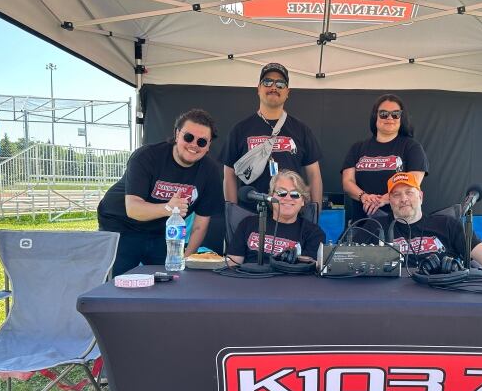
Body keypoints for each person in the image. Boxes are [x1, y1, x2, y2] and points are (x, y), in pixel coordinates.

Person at [97, 109, 223, 276]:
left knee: (170, 280)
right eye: (188, 137)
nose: (194, 144)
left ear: (208, 146)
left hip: (160, 231)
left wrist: (186, 258)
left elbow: (200, 225)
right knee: (120, 286)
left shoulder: (210, 171)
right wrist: (169, 208)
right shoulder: (146, 156)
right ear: (177, 134)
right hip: (121, 225)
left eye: (202, 142)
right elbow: (133, 209)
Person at [220, 62, 323, 210]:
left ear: (288, 92)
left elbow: (314, 175)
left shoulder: (301, 130)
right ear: (258, 89)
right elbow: (229, 174)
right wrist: (232, 213)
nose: (274, 87)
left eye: (280, 84)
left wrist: (315, 212)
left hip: (290, 216)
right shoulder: (240, 129)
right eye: (267, 82)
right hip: (250, 215)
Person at [363, 172, 482, 267]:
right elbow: (342, 257)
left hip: (441, 299)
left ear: (420, 196)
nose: (403, 199)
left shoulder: (447, 224)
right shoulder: (374, 227)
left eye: (409, 192)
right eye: (396, 195)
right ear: (390, 200)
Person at [341, 94, 429, 223]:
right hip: (362, 222)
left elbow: (413, 182)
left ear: (401, 118)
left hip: (399, 223)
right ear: (375, 116)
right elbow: (347, 182)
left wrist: (383, 199)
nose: (389, 118)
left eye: (395, 114)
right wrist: (364, 197)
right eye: (383, 113)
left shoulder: (411, 146)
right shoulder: (358, 148)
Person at [226, 170, 325, 266]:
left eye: (295, 194)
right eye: (281, 193)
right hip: (249, 279)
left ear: (303, 200)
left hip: (290, 281)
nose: (287, 198)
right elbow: (233, 263)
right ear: (271, 196)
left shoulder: (313, 233)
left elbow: (308, 270)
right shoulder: (248, 224)